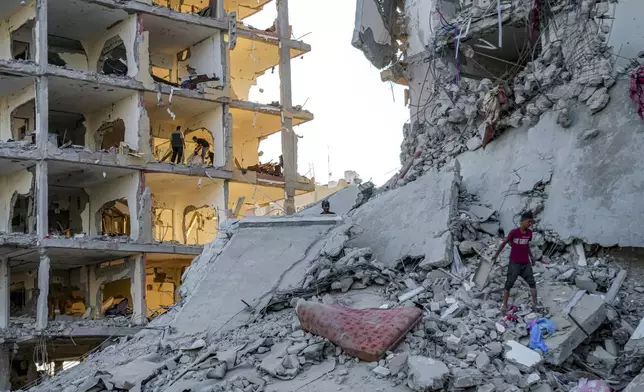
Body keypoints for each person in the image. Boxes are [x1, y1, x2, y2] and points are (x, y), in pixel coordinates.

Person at [491, 212, 538, 313]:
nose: (530, 223)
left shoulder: (529, 233)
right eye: (528, 221)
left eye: (531, 222)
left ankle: (535, 304)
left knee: (532, 283)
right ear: (522, 221)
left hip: (526, 263)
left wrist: (532, 257)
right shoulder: (514, 232)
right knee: (509, 284)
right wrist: (496, 255)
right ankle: (504, 305)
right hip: (514, 263)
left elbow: (527, 246)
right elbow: (504, 243)